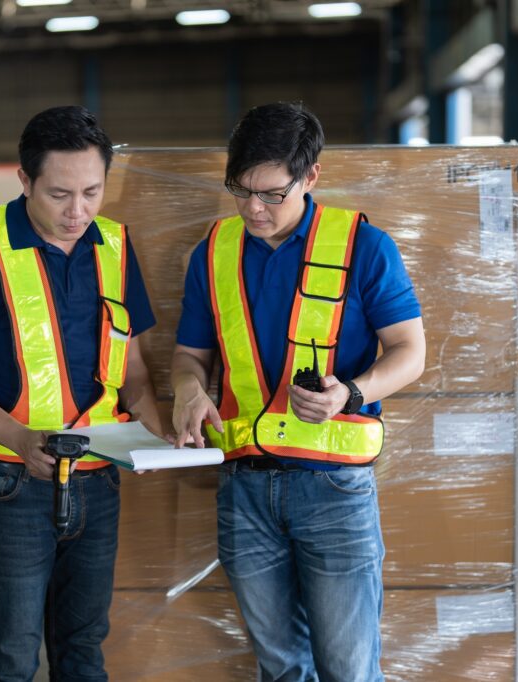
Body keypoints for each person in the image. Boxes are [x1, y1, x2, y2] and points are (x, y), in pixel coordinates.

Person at [170, 102, 425, 682]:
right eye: (240, 191)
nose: (253, 208)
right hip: (243, 489)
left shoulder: (364, 245)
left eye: (271, 194)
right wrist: (188, 389)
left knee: (348, 671)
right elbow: (190, 355)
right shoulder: (213, 252)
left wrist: (352, 393)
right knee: (280, 670)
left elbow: (411, 351)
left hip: (332, 488)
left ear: (310, 177)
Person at [0, 105, 162, 682]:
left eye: (91, 191)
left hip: (98, 478)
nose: (77, 211)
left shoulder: (114, 246)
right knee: (9, 655)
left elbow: (131, 365)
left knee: (83, 650)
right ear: (25, 180)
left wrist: (157, 427)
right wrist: (21, 438)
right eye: (59, 194)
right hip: (12, 484)